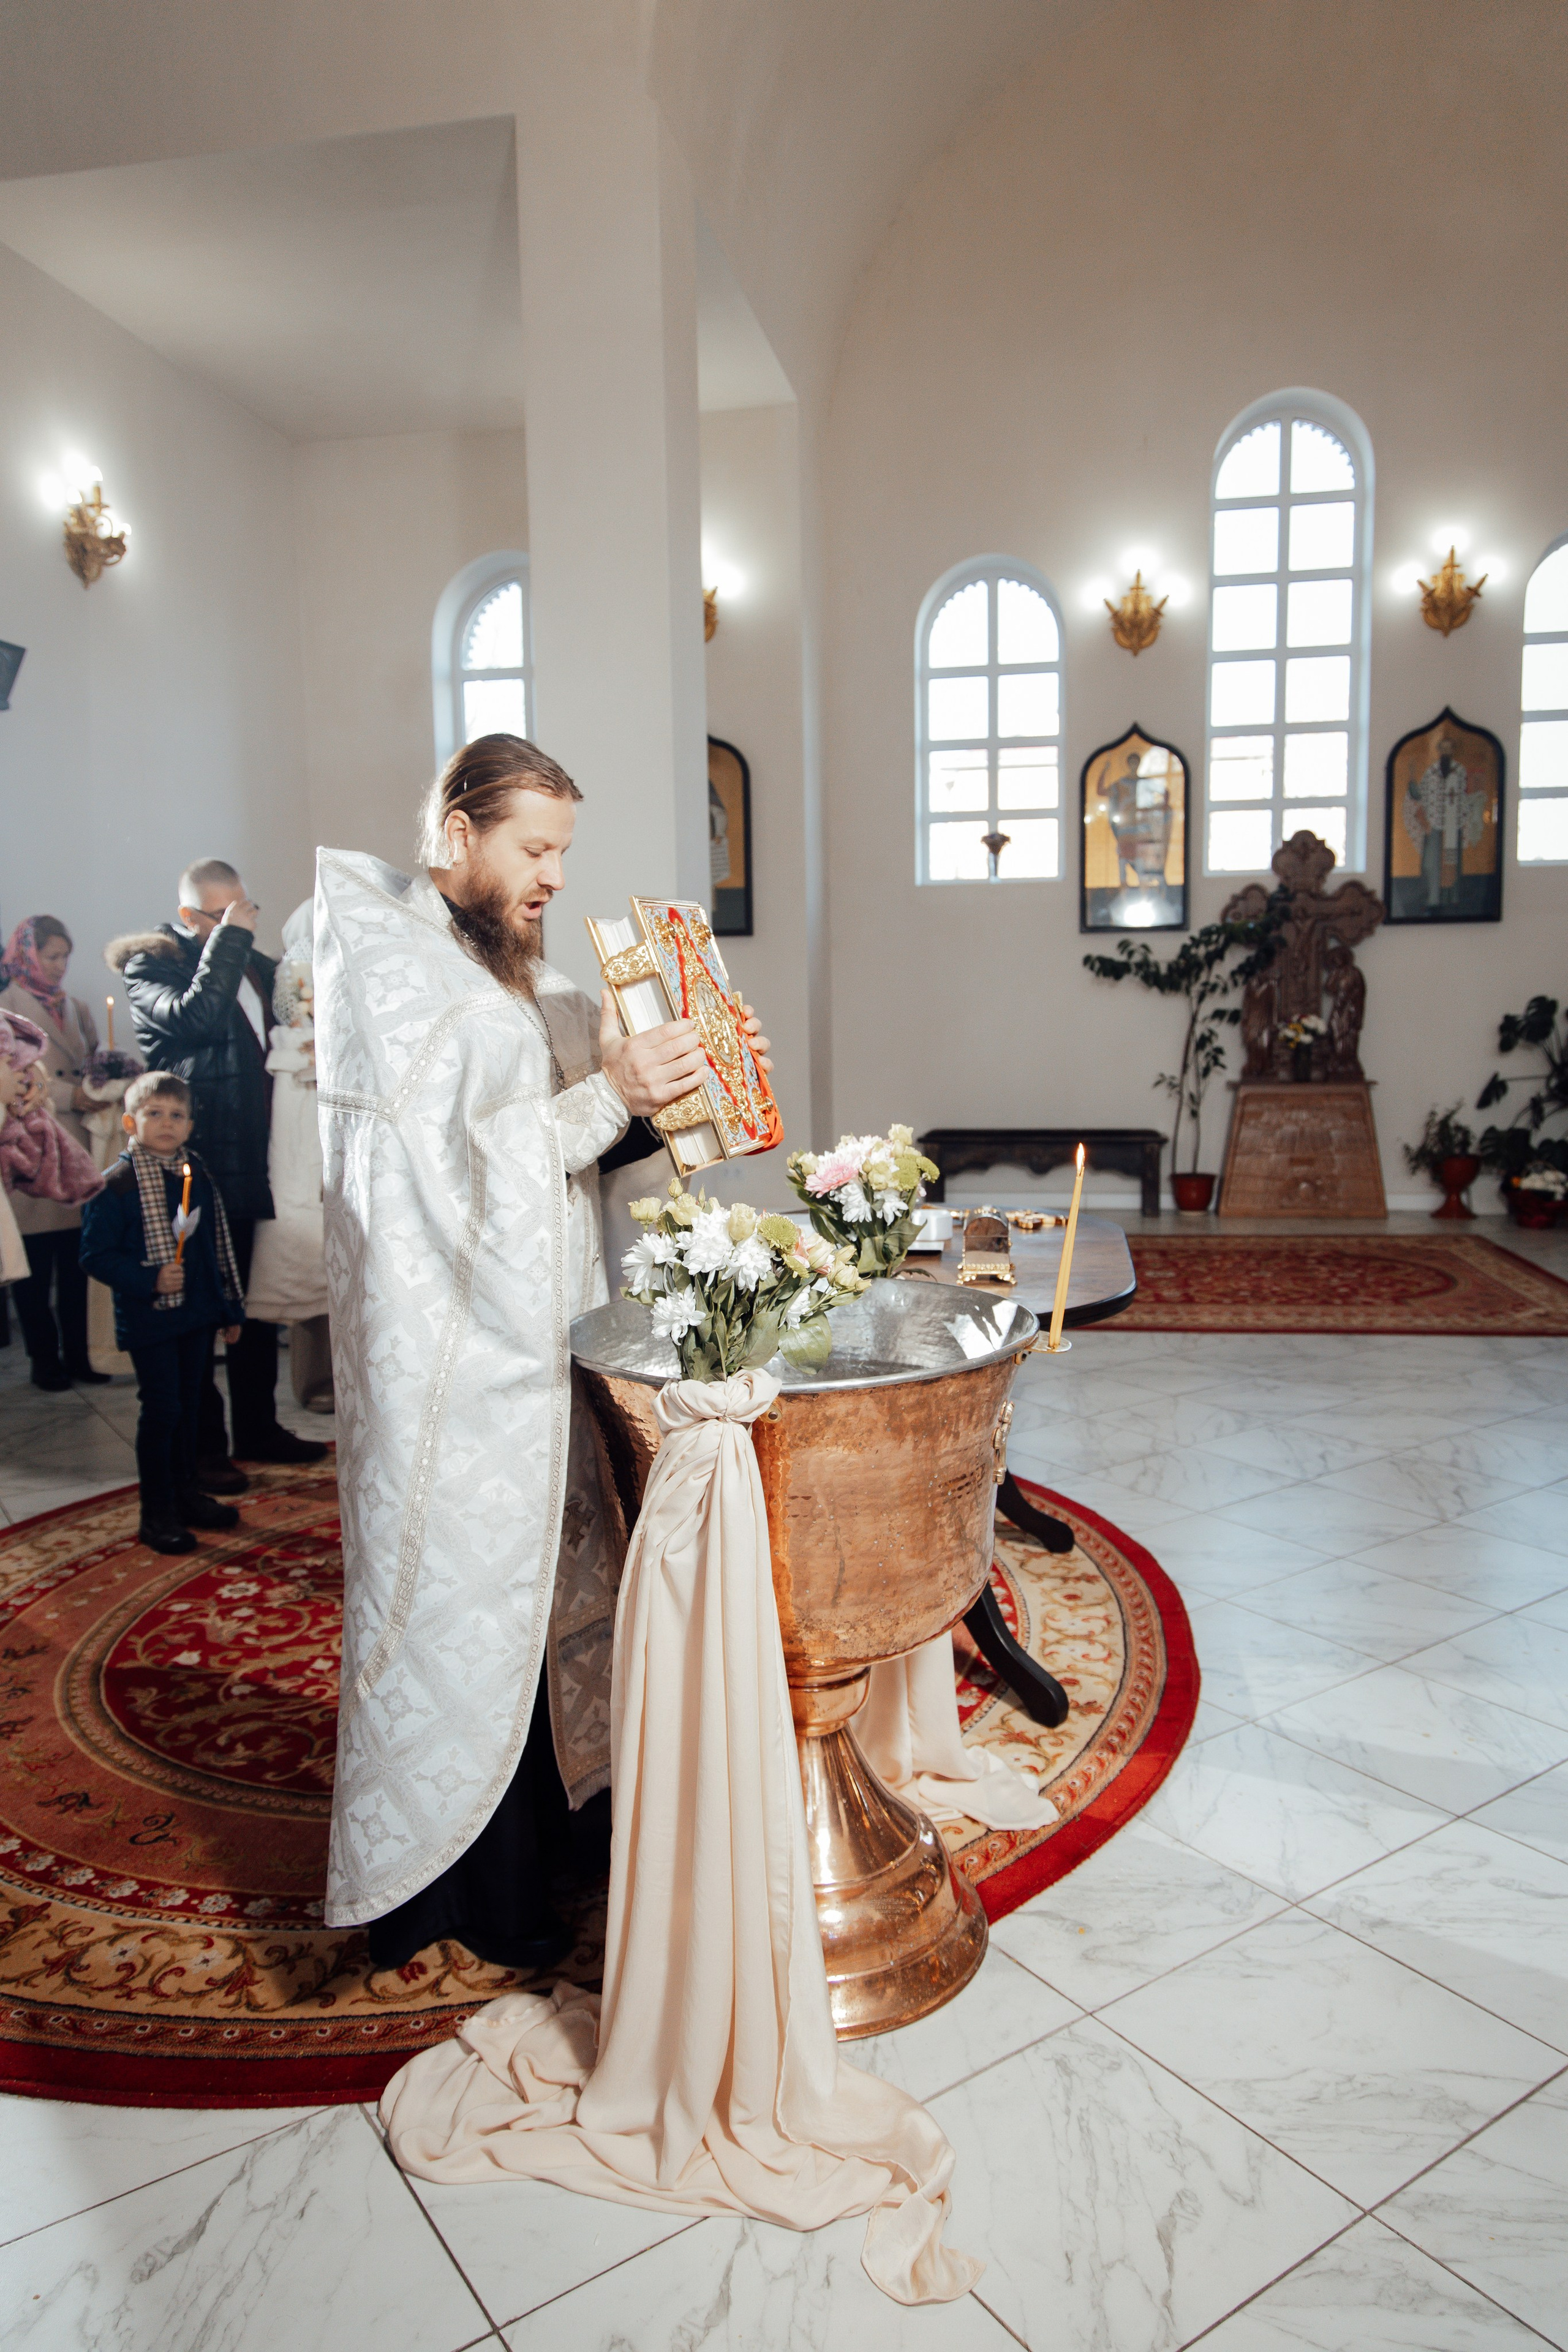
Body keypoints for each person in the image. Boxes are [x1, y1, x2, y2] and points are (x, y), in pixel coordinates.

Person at [315, 731, 770, 1973]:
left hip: (531, 1345)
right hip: (448, 1376)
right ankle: (451, 1890)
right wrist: (613, 1091)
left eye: (562, 851)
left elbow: (567, 1147)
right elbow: (445, 1178)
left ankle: (553, 1844)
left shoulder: (508, 971)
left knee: (552, 1606)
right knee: (464, 1614)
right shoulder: (393, 968)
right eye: (533, 847)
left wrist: (695, 1084)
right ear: (455, 834)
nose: (554, 875)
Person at [107, 862, 326, 1483]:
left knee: (252, 1307)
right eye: (222, 915)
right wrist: (229, 940)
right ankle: (204, 1449)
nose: (240, 923)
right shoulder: (152, 965)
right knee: (202, 1309)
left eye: (243, 910)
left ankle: (257, 1427)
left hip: (258, 1158)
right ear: (189, 918)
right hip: (198, 1166)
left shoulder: (255, 967)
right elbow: (195, 1019)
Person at [79, 1073, 247, 1555]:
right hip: (150, 1320)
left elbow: (218, 1247)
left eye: (177, 1115)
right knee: (162, 1411)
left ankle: (186, 1493)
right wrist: (148, 1277)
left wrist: (228, 1307)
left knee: (191, 1406)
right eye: (155, 1114)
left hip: (194, 1316)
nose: (167, 1124)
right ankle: (157, 1513)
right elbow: (94, 1255)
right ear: (132, 1121)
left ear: (190, 1126)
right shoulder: (114, 1185)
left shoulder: (196, 1174)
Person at [0, 916, 108, 1389]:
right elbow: (13, 1082)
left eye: (65, 956)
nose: (60, 966)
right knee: (36, 1263)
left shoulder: (79, 1008)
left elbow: (93, 1063)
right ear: (27, 954)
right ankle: (45, 1360)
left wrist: (102, 1084)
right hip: (33, 1142)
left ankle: (81, 1356)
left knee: (76, 1262)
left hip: (77, 1147)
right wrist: (69, 1097)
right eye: (51, 956)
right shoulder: (6, 1008)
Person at [243, 902, 333, 1411]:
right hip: (304, 1111)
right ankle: (317, 1382)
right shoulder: (299, 970)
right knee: (307, 1248)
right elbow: (299, 1027)